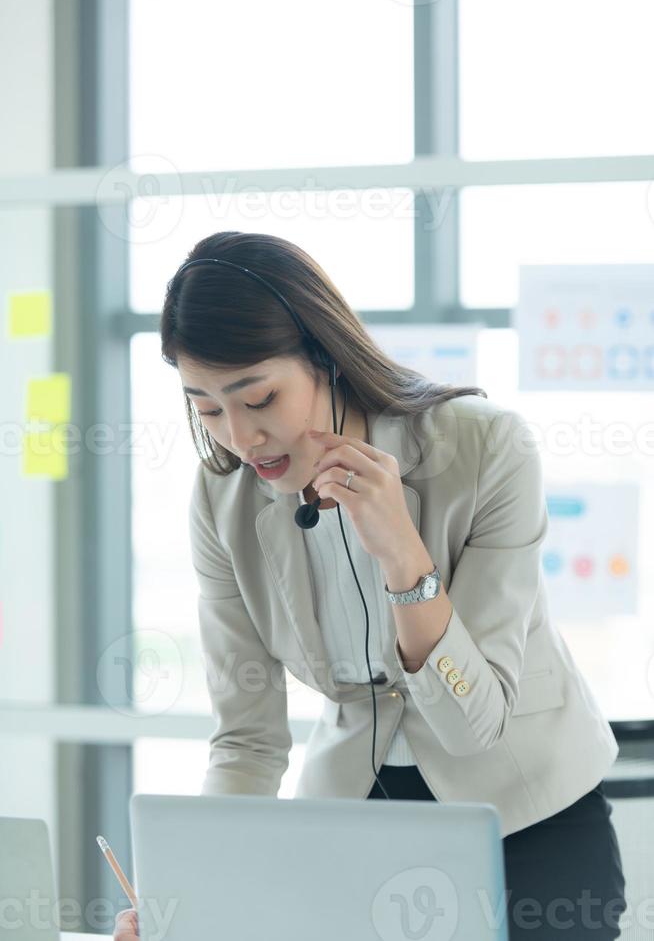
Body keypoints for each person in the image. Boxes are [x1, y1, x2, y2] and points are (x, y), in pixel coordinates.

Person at [113, 231, 626, 941]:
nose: (241, 436)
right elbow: (247, 739)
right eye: (205, 409)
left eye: (259, 398)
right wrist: (195, 890)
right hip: (360, 820)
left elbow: (473, 725)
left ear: (324, 359)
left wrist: (401, 555)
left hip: (529, 820)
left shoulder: (485, 449)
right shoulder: (221, 500)